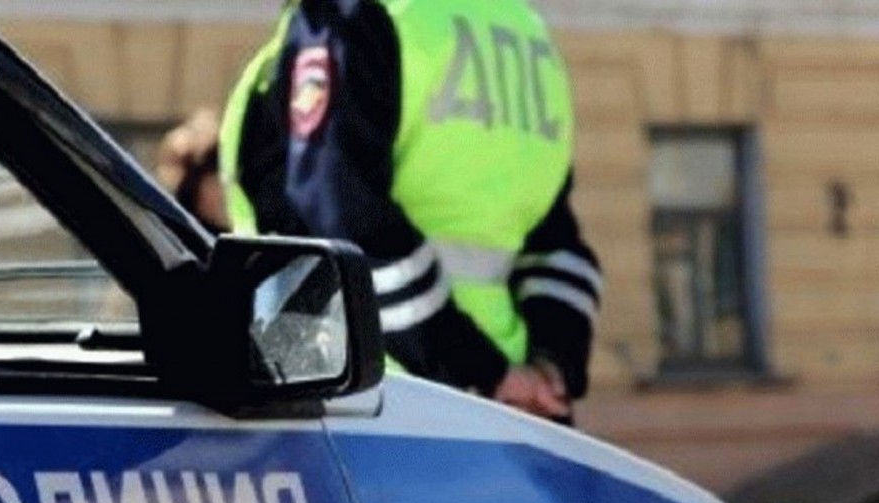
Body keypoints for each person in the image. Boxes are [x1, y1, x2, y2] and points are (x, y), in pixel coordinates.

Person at [159, 0, 602, 423]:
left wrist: (478, 369)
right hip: (514, 413)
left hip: (374, 397)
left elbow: (340, 212)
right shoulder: (524, 30)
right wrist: (548, 370)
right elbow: (557, 246)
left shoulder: (353, 15)